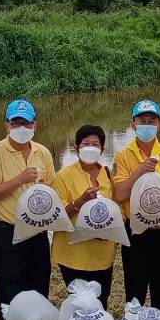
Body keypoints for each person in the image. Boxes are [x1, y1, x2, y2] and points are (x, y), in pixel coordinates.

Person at [0, 99, 57, 320]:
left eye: (26, 122)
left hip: (37, 234)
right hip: (6, 233)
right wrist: (19, 179)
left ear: (35, 125)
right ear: (7, 126)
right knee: (9, 290)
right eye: (16, 122)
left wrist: (43, 189)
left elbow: (52, 190)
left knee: (38, 289)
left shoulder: (42, 152)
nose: (21, 127)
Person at [112, 99, 160, 309]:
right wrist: (139, 171)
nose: (147, 125)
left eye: (152, 121)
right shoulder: (123, 156)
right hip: (135, 234)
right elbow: (120, 194)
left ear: (159, 124)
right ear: (133, 124)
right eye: (142, 121)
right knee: (134, 293)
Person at [51, 125, 118, 307]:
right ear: (76, 148)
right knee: (79, 304)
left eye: (95, 144)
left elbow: (115, 211)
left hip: (102, 253)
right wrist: (79, 202)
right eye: (85, 144)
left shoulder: (108, 174)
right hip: (73, 254)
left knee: (101, 302)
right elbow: (56, 216)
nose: (91, 148)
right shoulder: (64, 176)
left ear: (102, 149)